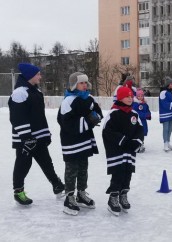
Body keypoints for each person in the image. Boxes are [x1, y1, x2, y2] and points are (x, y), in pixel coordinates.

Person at [8, 63, 64, 205]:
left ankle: (57, 185)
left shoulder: (36, 92)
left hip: (38, 136)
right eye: (38, 74)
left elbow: (39, 117)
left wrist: (45, 134)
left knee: (46, 162)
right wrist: (26, 137)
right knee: (23, 164)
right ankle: (18, 191)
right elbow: (17, 117)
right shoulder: (20, 92)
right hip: (25, 139)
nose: (40, 76)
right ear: (30, 76)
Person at [57, 72, 103, 215]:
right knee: (72, 169)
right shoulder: (68, 101)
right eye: (81, 83)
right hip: (71, 141)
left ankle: (81, 194)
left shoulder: (89, 98)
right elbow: (65, 122)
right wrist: (88, 120)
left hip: (84, 139)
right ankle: (69, 198)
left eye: (85, 82)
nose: (84, 85)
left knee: (83, 167)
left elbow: (98, 112)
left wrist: (94, 117)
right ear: (73, 85)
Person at [102, 86, 144, 216]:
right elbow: (107, 131)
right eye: (127, 96)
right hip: (117, 151)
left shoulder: (134, 114)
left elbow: (140, 130)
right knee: (118, 173)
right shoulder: (113, 113)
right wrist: (123, 140)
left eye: (131, 96)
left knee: (127, 173)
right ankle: (113, 197)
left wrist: (137, 142)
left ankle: (123, 194)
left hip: (129, 152)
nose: (130, 98)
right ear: (120, 98)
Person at [159, 77, 172, 152]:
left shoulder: (171, 92)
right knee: (166, 129)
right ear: (168, 84)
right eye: (171, 84)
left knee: (170, 129)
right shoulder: (163, 92)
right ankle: (165, 144)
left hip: (171, 113)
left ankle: (168, 142)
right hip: (165, 114)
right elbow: (164, 104)